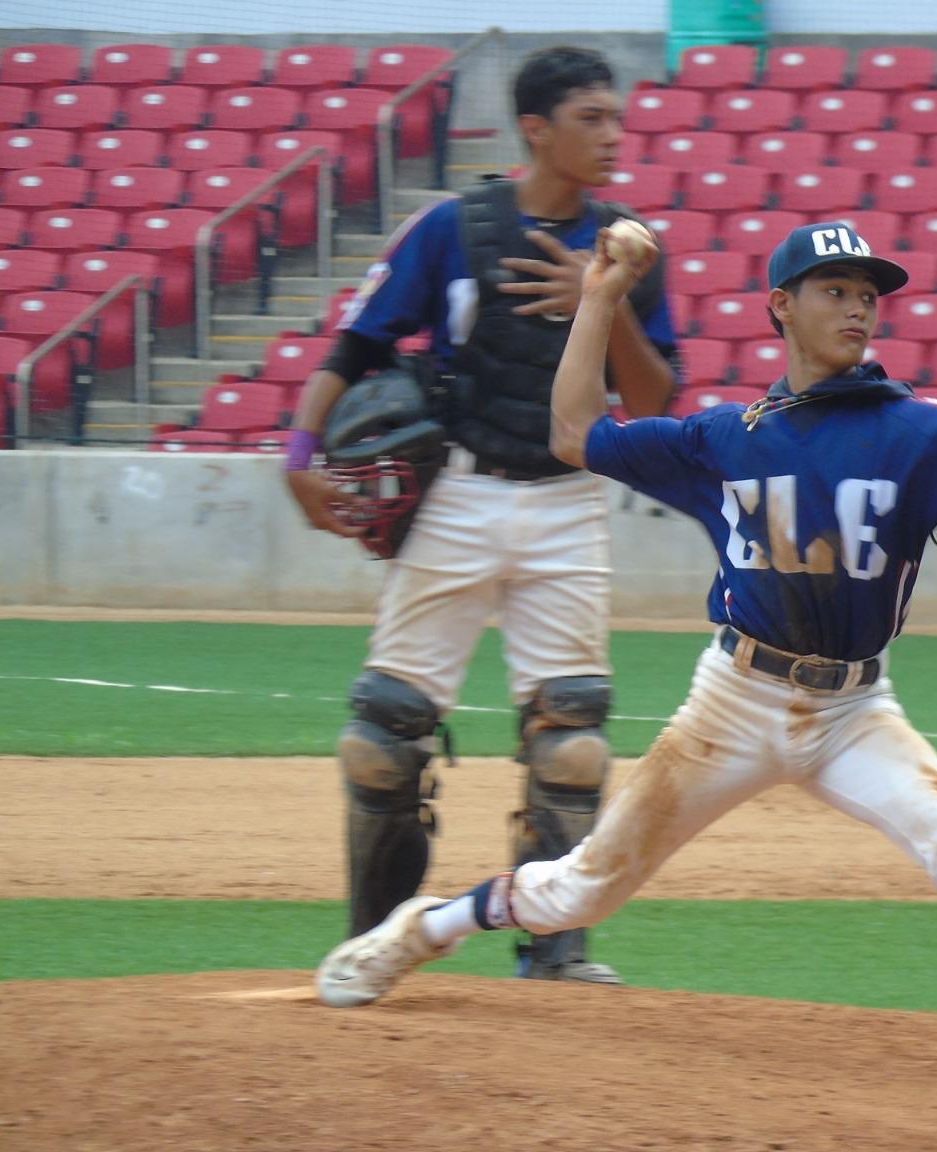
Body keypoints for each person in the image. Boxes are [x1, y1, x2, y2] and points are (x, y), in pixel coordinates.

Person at [313, 220, 937, 1103]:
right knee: (582, 892)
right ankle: (421, 931)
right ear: (781, 306)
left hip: (854, 712)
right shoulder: (724, 440)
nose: (858, 305)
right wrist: (599, 294)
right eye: (834, 289)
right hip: (733, 702)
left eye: (867, 293)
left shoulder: (924, 433)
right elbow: (574, 431)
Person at [283, 46, 678, 983]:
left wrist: (605, 295)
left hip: (570, 500)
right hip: (455, 493)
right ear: (535, 129)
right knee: (381, 739)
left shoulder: (629, 244)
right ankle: (371, 946)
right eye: (592, 117)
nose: (614, 134)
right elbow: (356, 341)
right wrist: (299, 455)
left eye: (617, 117)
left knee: (573, 744)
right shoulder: (453, 230)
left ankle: (557, 951)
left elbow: (656, 402)